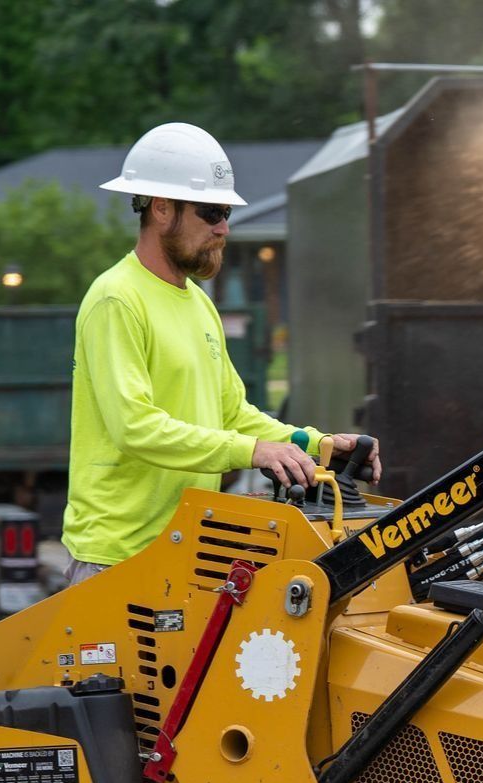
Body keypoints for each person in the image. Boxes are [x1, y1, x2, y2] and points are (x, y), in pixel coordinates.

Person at [62, 122, 380, 583]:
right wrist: (252, 452)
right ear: (162, 209)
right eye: (211, 212)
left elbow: (232, 414)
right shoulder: (117, 298)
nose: (224, 227)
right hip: (118, 555)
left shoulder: (197, 304)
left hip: (185, 547)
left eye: (225, 212)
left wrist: (318, 445)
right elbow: (134, 427)